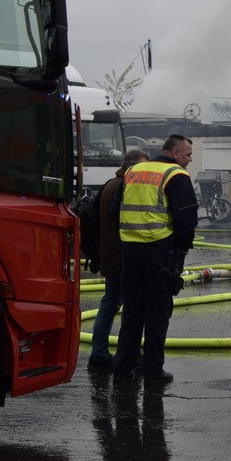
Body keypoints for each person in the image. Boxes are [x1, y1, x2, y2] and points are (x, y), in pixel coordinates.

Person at [113, 134, 198, 386]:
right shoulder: (176, 175)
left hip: (130, 251)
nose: (189, 160)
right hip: (160, 252)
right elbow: (186, 220)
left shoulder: (133, 171)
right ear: (174, 153)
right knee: (157, 313)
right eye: (187, 155)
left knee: (131, 313)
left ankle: (122, 369)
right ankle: (153, 371)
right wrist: (181, 251)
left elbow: (115, 208)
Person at [87, 149, 149, 372]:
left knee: (110, 303)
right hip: (123, 257)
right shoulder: (124, 186)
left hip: (110, 255)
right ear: (132, 168)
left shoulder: (109, 184)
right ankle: (123, 354)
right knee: (128, 306)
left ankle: (99, 352)